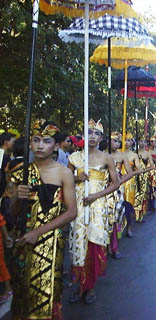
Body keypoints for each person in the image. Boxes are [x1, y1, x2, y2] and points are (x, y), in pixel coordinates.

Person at [9, 119, 77, 319]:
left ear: (56, 146)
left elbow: (71, 212)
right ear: (30, 143)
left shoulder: (64, 173)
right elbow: (11, 215)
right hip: (23, 241)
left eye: (46, 141)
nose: (40, 145)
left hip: (50, 243)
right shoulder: (19, 172)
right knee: (22, 293)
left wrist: (38, 232)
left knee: (46, 295)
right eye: (36, 140)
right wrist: (16, 198)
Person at [68, 119, 119, 304]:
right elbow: (66, 180)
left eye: (96, 133)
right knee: (79, 244)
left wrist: (97, 196)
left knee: (94, 244)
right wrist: (76, 177)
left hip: (98, 207)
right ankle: (79, 286)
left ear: (101, 138)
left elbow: (116, 183)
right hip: (80, 205)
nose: (92, 136)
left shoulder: (107, 158)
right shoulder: (74, 157)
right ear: (83, 134)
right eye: (89, 132)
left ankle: (89, 287)